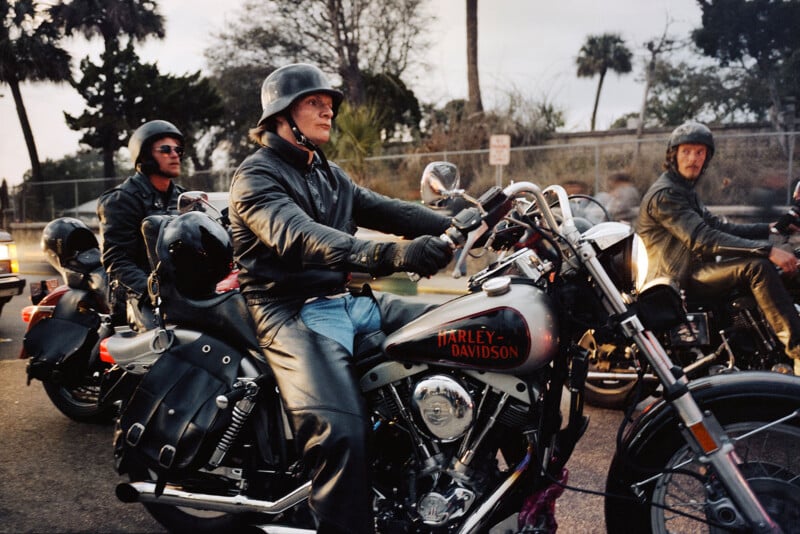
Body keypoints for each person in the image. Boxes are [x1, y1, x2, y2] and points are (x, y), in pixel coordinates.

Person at [227, 63, 453, 533]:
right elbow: (303, 237)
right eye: (314, 101)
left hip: (344, 300)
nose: (328, 108)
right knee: (343, 435)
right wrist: (396, 255)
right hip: (286, 310)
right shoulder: (255, 177)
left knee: (458, 329)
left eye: (329, 102)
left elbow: (397, 212)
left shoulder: (329, 175)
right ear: (280, 115)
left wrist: (477, 218)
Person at [637, 120, 800, 375]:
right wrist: (767, 250)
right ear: (673, 155)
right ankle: (798, 352)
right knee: (757, 268)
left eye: (700, 152)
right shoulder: (666, 194)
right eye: (686, 151)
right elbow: (703, 238)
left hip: (696, 268)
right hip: (676, 278)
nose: (693, 158)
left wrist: (771, 229)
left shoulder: (684, 189)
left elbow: (719, 226)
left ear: (707, 157)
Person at [97, 120, 186, 329]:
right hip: (138, 297)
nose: (175, 154)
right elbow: (116, 260)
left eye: (178, 150)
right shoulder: (122, 200)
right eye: (165, 149)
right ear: (145, 155)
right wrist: (152, 290)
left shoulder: (182, 197)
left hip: (181, 294)